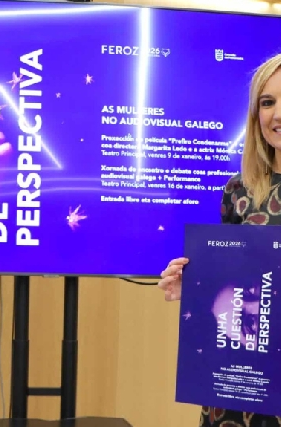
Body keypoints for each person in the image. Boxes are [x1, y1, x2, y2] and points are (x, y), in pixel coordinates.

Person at [158, 52, 281, 427]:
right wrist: (195, 287)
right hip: (238, 384)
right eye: (267, 102)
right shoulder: (239, 191)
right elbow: (235, 285)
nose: (277, 114)